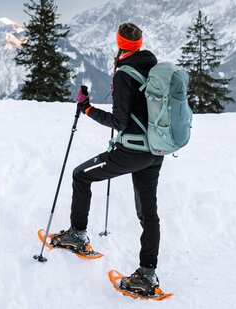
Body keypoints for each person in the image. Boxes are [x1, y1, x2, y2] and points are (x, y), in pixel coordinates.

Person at [52, 22, 164, 297]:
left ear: (119, 43)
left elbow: (119, 122)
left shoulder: (126, 73)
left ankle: (77, 235)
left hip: (132, 151)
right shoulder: (152, 66)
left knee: (81, 175)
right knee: (148, 213)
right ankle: (147, 275)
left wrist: (86, 108)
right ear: (139, 43)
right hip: (155, 151)